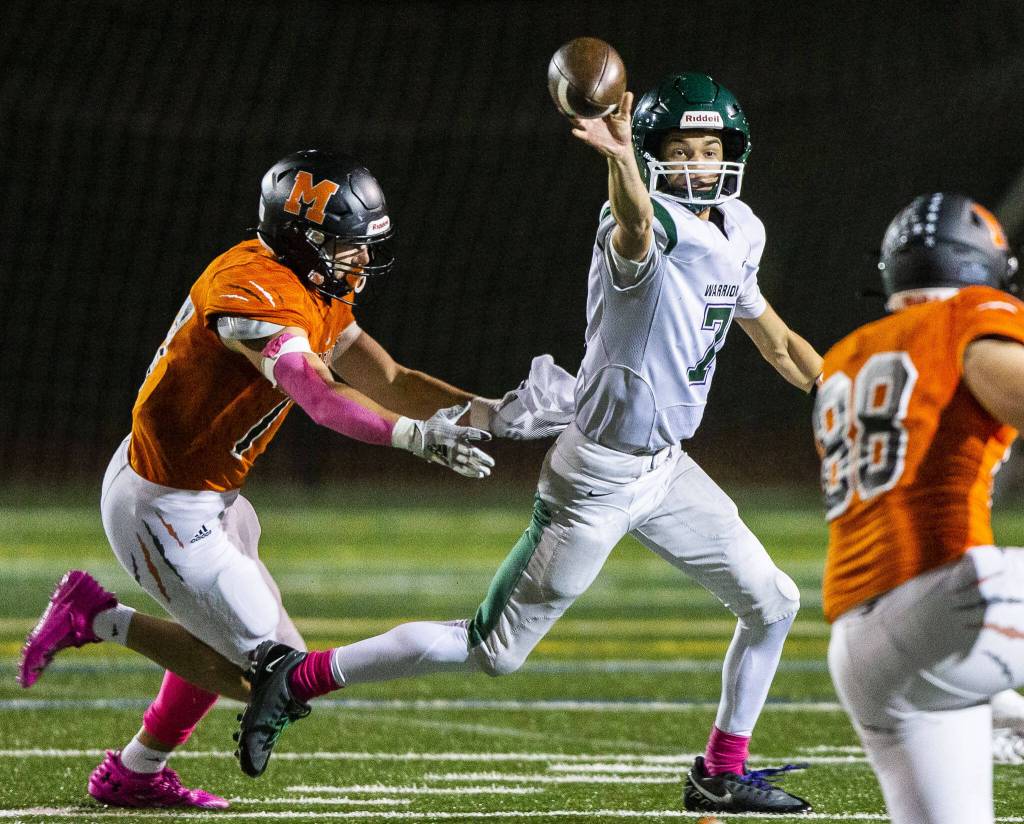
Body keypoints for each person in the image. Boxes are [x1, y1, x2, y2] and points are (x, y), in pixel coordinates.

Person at [236, 74, 823, 814]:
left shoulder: (739, 228)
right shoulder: (644, 225)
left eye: (710, 149)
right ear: (650, 156)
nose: (698, 165)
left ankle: (720, 771)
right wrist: (619, 160)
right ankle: (298, 677)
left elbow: (775, 341)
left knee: (773, 603)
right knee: (492, 652)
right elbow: (637, 224)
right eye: (680, 150)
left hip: (669, 471)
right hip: (597, 478)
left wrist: (838, 394)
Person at [17, 149, 524, 809]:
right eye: (350, 248)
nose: (363, 262)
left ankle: (135, 773)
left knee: (229, 636)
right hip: (164, 507)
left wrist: (502, 414)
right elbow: (317, 395)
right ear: (304, 242)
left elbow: (392, 380)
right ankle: (98, 618)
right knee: (274, 674)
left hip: (208, 495)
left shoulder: (311, 286)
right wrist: (413, 438)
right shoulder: (256, 290)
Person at [814, 192, 1024, 824]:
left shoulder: (846, 354)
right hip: (950, 601)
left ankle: (998, 701)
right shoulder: (971, 311)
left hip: (861, 647)